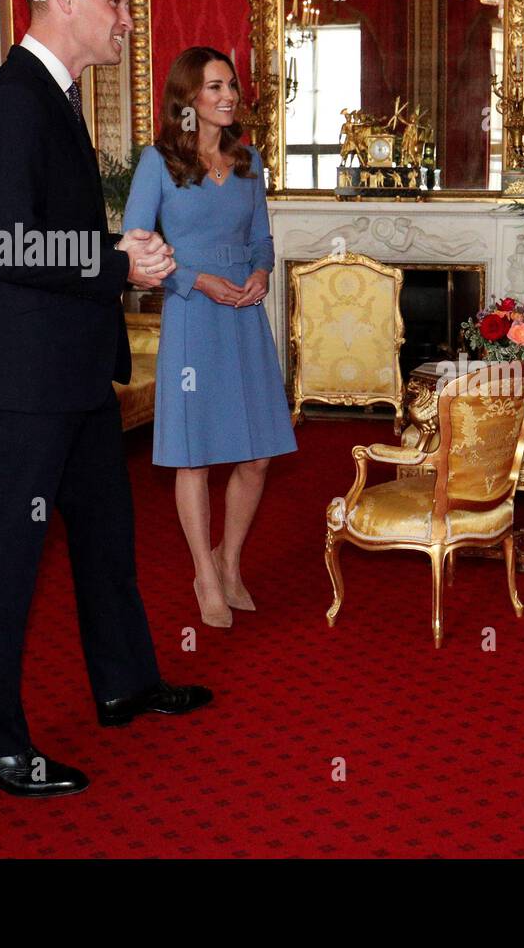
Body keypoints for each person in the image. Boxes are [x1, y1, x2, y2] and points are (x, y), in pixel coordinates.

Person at [0, 0, 212, 799]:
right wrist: (115, 260)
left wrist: (116, 253)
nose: (127, 17)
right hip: (27, 379)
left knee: (105, 538)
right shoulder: (9, 101)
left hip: (74, 368)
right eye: (115, 0)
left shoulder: (54, 98)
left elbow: (47, 234)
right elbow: (6, 245)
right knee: (8, 560)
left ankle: (124, 683)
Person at [123, 47, 297, 630]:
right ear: (188, 98)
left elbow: (261, 239)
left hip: (244, 315)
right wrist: (195, 280)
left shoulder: (249, 162)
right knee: (194, 456)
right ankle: (203, 571)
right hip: (193, 314)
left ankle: (230, 559)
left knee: (257, 454)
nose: (228, 96)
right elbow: (135, 246)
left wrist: (260, 275)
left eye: (231, 86)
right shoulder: (159, 163)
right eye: (214, 87)